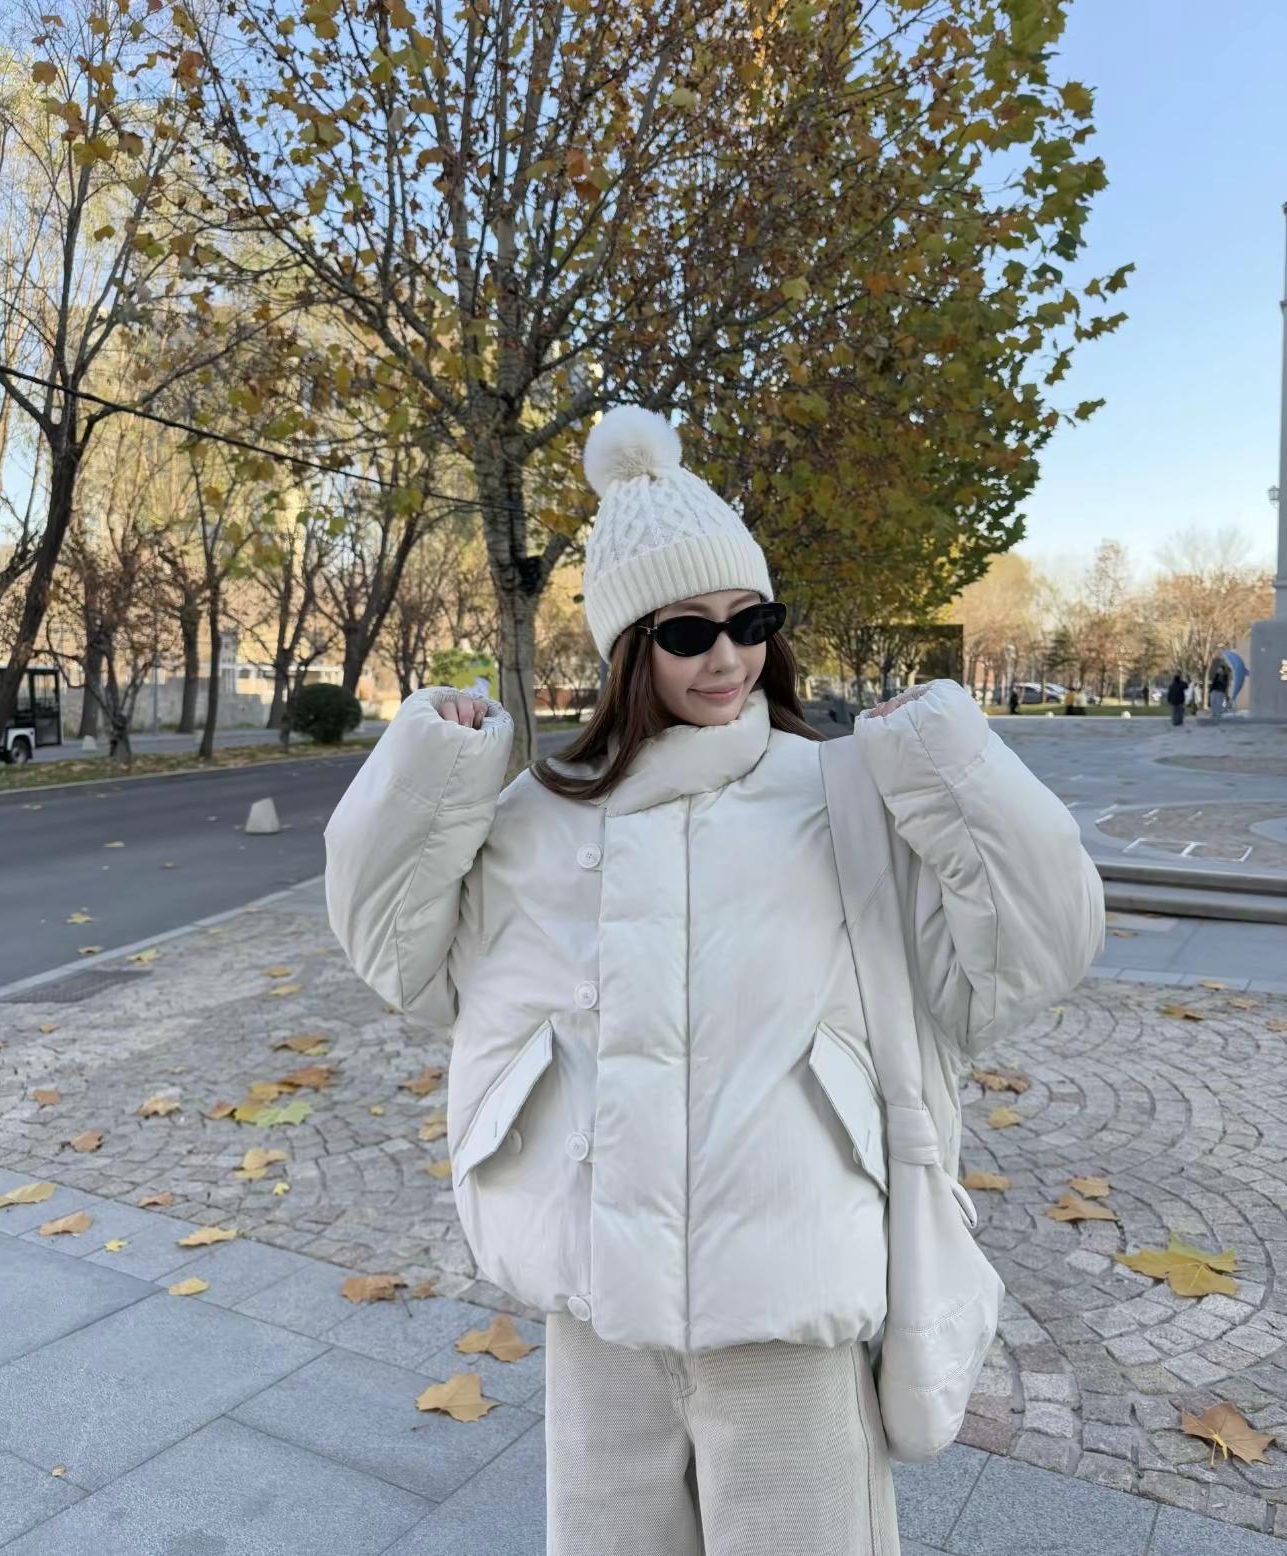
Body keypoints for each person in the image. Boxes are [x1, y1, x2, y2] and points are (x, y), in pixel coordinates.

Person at [324, 405, 1106, 1556]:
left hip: (790, 1305)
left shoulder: (840, 795)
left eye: (752, 621)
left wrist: (952, 762)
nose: (728, 656)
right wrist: (430, 773)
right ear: (627, 651)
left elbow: (1031, 952)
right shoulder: (540, 817)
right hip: (602, 1310)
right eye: (689, 631)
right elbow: (405, 958)